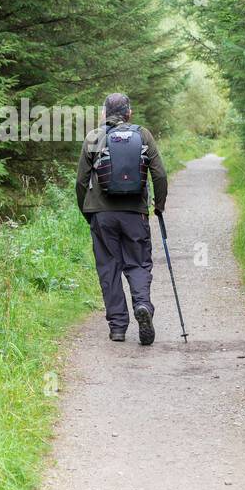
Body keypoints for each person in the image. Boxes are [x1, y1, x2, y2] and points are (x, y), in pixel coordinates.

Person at [75, 92, 167, 345]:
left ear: (104, 113)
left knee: (109, 268)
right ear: (129, 113)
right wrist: (158, 206)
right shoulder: (143, 135)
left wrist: (88, 213)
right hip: (134, 213)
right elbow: (159, 174)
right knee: (137, 264)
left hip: (102, 215)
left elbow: (81, 182)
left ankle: (117, 327)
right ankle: (143, 305)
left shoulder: (94, 137)